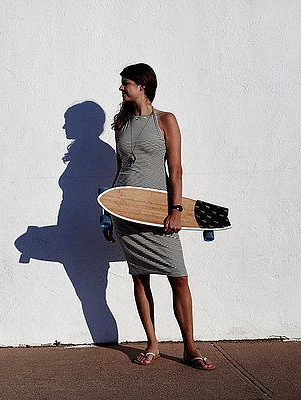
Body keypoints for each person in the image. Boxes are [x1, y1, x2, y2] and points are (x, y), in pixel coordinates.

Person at [103, 63, 215, 370]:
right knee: (140, 277)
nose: (121, 88)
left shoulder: (165, 120)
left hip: (158, 212)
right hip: (125, 212)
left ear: (142, 85)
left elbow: (175, 170)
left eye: (125, 83)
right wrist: (106, 215)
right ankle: (152, 342)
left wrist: (176, 210)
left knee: (178, 277)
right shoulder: (121, 124)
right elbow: (119, 171)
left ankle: (189, 347)